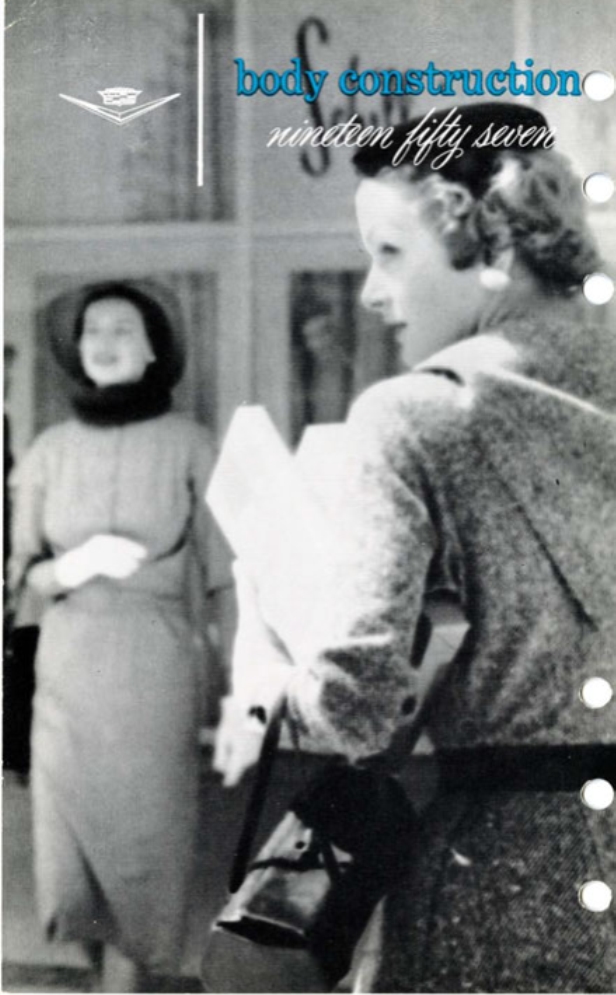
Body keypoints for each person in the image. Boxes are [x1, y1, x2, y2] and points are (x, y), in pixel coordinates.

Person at [214, 103, 616, 992]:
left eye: (391, 251)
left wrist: (267, 670)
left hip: (497, 889)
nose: (371, 291)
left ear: (486, 241)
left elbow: (354, 708)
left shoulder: (415, 416)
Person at [9, 281, 215, 992]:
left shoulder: (192, 445)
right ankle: (106, 979)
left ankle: (122, 987)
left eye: (123, 329)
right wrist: (72, 566)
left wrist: (246, 688)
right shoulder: (48, 450)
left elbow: (228, 574)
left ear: (155, 349)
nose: (104, 342)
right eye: (93, 330)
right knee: (69, 865)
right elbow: (21, 574)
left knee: (143, 851)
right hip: (67, 672)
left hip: (152, 669)